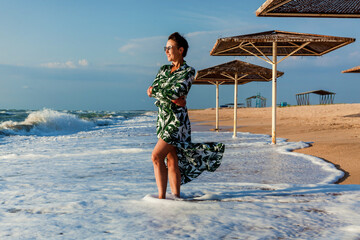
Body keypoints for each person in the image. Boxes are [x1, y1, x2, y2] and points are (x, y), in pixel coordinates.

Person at [147, 32, 224, 199]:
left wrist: (160, 92)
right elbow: (151, 90)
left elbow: (176, 92)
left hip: (176, 121)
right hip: (163, 120)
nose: (166, 51)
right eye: (165, 48)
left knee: (156, 156)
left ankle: (161, 198)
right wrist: (162, 93)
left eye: (169, 48)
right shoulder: (163, 70)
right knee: (171, 158)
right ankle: (176, 198)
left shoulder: (189, 71)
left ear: (180, 50)